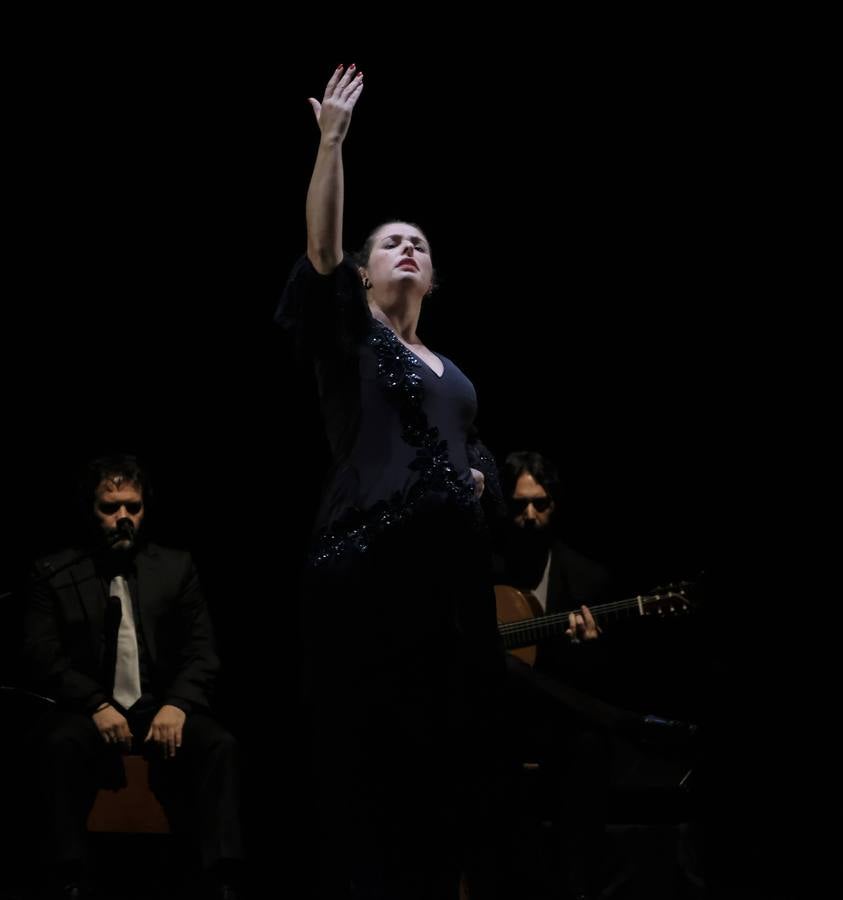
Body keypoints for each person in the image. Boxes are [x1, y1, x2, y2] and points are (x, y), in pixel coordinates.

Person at [275, 65, 505, 899]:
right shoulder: (353, 339)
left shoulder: (452, 370)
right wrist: (331, 141)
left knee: (451, 756)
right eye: (391, 242)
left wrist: (476, 478)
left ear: (431, 278)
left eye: (420, 244)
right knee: (374, 759)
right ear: (368, 275)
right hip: (369, 566)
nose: (407, 248)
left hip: (449, 579)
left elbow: (467, 444)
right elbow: (321, 250)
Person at [22, 454, 244, 900]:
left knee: (220, 743)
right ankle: (69, 877)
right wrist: (95, 705)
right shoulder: (55, 572)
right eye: (110, 508)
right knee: (58, 743)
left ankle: (222, 878)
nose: (124, 517)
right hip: (91, 712)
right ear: (91, 511)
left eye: (133, 507)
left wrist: (178, 704)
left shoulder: (176, 567)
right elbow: (41, 655)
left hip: (158, 708)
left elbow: (202, 652)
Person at [494, 450, 618, 900]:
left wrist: (587, 648)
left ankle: (577, 886)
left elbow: (598, 682)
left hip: (557, 722)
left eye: (540, 504)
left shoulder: (587, 580)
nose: (529, 515)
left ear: (554, 505)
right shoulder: (481, 574)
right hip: (496, 723)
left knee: (588, 745)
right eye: (519, 504)